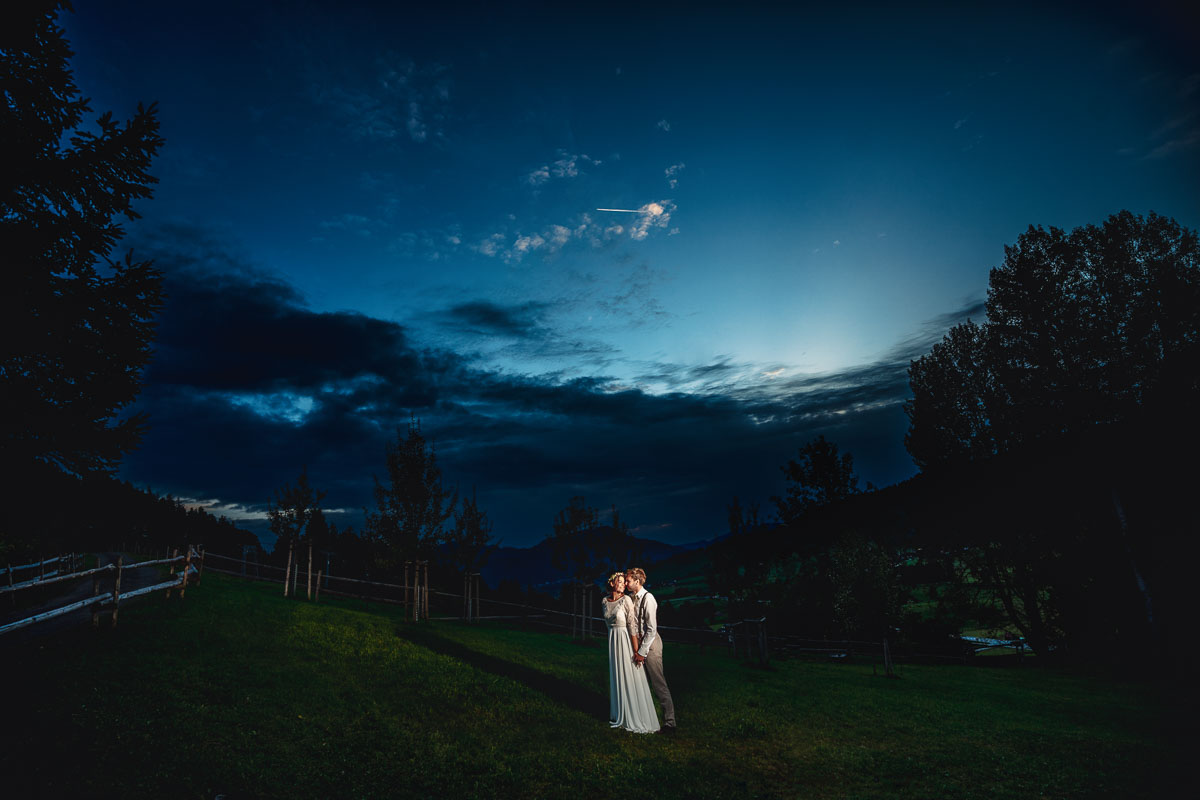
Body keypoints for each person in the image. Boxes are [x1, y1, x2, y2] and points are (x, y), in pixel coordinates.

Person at [601, 571, 659, 733]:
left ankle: (634, 715)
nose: (623, 584)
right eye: (620, 581)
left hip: (625, 641)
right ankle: (619, 711)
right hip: (612, 641)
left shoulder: (626, 600)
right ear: (611, 583)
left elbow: (632, 628)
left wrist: (637, 651)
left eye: (624, 581)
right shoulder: (604, 601)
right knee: (617, 674)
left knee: (628, 673)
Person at [625, 567, 676, 735]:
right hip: (637, 643)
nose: (626, 583)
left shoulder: (649, 599)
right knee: (639, 682)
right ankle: (642, 718)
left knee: (658, 683)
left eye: (628, 581)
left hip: (651, 644)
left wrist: (642, 652)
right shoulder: (630, 598)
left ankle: (670, 723)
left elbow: (652, 629)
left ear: (637, 581)